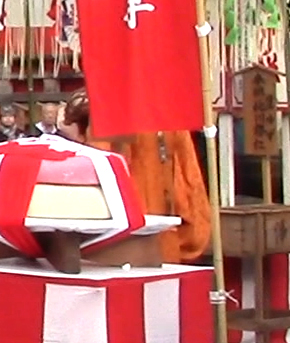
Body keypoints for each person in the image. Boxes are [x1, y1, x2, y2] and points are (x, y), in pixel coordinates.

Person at [58, 91, 211, 264]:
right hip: (159, 230)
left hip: (116, 234)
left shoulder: (108, 109)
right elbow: (189, 185)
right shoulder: (169, 115)